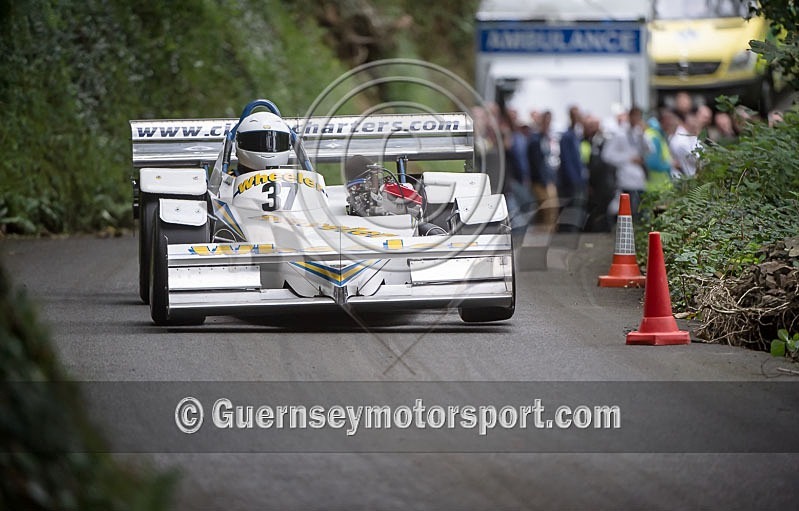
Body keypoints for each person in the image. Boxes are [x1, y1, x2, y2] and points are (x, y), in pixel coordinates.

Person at [602, 106, 648, 220]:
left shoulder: (638, 133)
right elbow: (606, 155)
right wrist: (628, 158)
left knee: (640, 211)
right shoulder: (620, 133)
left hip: (639, 178)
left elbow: (649, 150)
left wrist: (643, 135)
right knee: (629, 211)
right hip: (625, 178)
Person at [581, 116, 616, 232]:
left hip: (604, 181)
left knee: (603, 208)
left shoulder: (603, 140)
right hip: (594, 182)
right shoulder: (584, 141)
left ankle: (604, 230)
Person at [526, 110, 559, 232]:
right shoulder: (535, 139)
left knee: (551, 209)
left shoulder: (548, 138)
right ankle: (544, 235)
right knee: (547, 209)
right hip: (540, 181)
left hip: (549, 178)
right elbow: (535, 163)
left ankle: (548, 234)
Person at [557, 105, 587, 232]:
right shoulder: (567, 136)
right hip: (572, 181)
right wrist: (574, 179)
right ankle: (569, 231)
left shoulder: (576, 135)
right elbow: (567, 160)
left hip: (579, 178)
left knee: (578, 206)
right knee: (572, 206)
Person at [643, 111, 674, 192]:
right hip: (656, 188)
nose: (671, 124)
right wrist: (670, 165)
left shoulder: (659, 135)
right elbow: (652, 163)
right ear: (663, 121)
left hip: (660, 187)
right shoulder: (655, 137)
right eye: (669, 122)